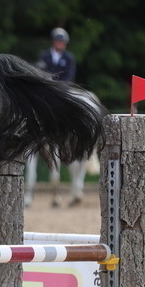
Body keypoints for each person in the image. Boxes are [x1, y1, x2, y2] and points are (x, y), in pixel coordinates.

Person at [27, 27, 93, 207]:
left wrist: (59, 89)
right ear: (53, 42)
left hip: (62, 91)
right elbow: (39, 73)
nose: (60, 44)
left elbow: (69, 77)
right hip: (47, 91)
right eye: (58, 41)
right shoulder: (44, 56)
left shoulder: (69, 58)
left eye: (63, 42)